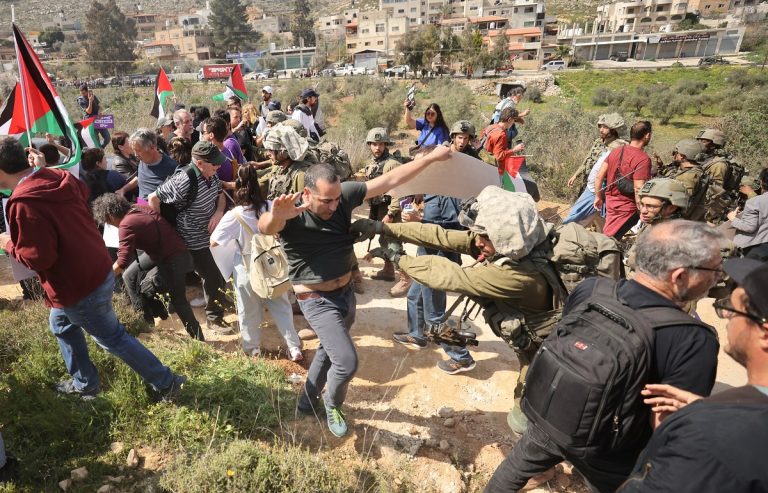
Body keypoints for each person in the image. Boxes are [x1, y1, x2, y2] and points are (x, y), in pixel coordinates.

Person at [485, 219, 723, 493]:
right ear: (680, 276)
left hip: (551, 413)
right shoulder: (692, 339)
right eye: (714, 270)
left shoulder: (592, 289)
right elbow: (667, 426)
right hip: (610, 451)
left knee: (514, 469)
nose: (718, 277)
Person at [257, 146, 452, 438]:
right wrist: (276, 217)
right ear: (308, 194)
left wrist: (431, 158)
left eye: (337, 199)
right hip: (315, 298)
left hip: (345, 294)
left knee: (328, 350)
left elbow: (389, 181)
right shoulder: (291, 211)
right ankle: (332, 403)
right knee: (346, 363)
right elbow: (264, 227)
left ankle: (306, 402)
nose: (335, 206)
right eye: (327, 201)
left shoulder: (341, 196)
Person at [352, 188, 566, 424]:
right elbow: (441, 236)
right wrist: (383, 228)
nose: (476, 242)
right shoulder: (515, 244)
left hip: (545, 357)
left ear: (503, 236)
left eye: (483, 236)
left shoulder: (519, 276)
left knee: (525, 418)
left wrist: (396, 257)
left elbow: (449, 276)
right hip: (541, 347)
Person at [0, 139, 185, 401]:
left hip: (77, 285)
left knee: (112, 337)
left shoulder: (24, 202)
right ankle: (85, 382)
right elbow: (81, 190)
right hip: (93, 269)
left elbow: (39, 259)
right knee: (61, 325)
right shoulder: (59, 177)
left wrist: (9, 244)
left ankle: (167, 383)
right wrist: (41, 170)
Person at [617, 257, 768, 493]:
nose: (726, 317)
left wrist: (690, 429)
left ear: (765, 333)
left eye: (732, 310)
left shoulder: (706, 441)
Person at [210, 164, 303, 361]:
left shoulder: (234, 216)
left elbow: (214, 241)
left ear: (238, 186)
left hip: (246, 266)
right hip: (271, 265)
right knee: (281, 306)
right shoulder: (269, 207)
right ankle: (294, 347)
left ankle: (253, 348)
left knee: (248, 310)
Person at [91, 193, 203, 340]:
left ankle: (198, 338)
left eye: (108, 222)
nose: (111, 225)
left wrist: (101, 280)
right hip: (161, 251)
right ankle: (146, 323)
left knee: (178, 299)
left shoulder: (126, 224)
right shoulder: (138, 207)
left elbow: (122, 261)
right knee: (128, 275)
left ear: (110, 216)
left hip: (173, 258)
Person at [149, 141, 232, 335]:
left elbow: (220, 193)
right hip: (192, 238)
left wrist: (218, 212)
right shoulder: (184, 180)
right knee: (211, 274)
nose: (218, 166)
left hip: (211, 235)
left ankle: (218, 301)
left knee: (218, 272)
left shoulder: (211, 172)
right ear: (199, 163)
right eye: (214, 163)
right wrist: (161, 229)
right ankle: (214, 318)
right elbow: (153, 198)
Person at [361, 128, 406, 293]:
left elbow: (399, 191)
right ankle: (388, 271)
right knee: (383, 240)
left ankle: (405, 277)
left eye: (381, 144)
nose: (377, 148)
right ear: (369, 145)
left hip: (390, 210)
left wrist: (391, 213)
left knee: (394, 244)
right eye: (374, 144)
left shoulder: (392, 164)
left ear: (386, 144)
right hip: (378, 208)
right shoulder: (372, 164)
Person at [564, 113, 627, 230]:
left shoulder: (617, 146)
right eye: (600, 126)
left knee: (591, 212)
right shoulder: (598, 142)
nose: (601, 130)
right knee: (590, 210)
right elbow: (587, 159)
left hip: (602, 185)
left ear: (613, 130)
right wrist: (575, 175)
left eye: (605, 127)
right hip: (589, 181)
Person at [593, 121, 653, 240]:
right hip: (627, 208)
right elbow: (638, 188)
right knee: (610, 239)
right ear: (647, 135)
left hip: (610, 202)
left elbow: (599, 176)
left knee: (608, 234)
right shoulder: (643, 159)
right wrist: (642, 210)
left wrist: (598, 196)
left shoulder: (616, 151)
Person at [117, 129, 179, 204]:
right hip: (141, 208)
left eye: (138, 151)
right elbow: (140, 177)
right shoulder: (143, 161)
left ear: (152, 148)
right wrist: (123, 190)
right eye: (134, 151)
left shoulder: (172, 168)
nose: (136, 155)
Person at [658, 139, 707, 220]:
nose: (674, 155)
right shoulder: (690, 172)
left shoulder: (689, 176)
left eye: (676, 152)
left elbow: (680, 202)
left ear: (682, 156)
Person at [728, 167, 768, 260]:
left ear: (762, 182)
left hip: (755, 249)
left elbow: (749, 227)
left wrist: (733, 218)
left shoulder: (754, 202)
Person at [262, 125, 311, 200]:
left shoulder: (301, 174)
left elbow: (304, 207)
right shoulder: (280, 167)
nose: (268, 154)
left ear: (283, 152)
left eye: (271, 150)